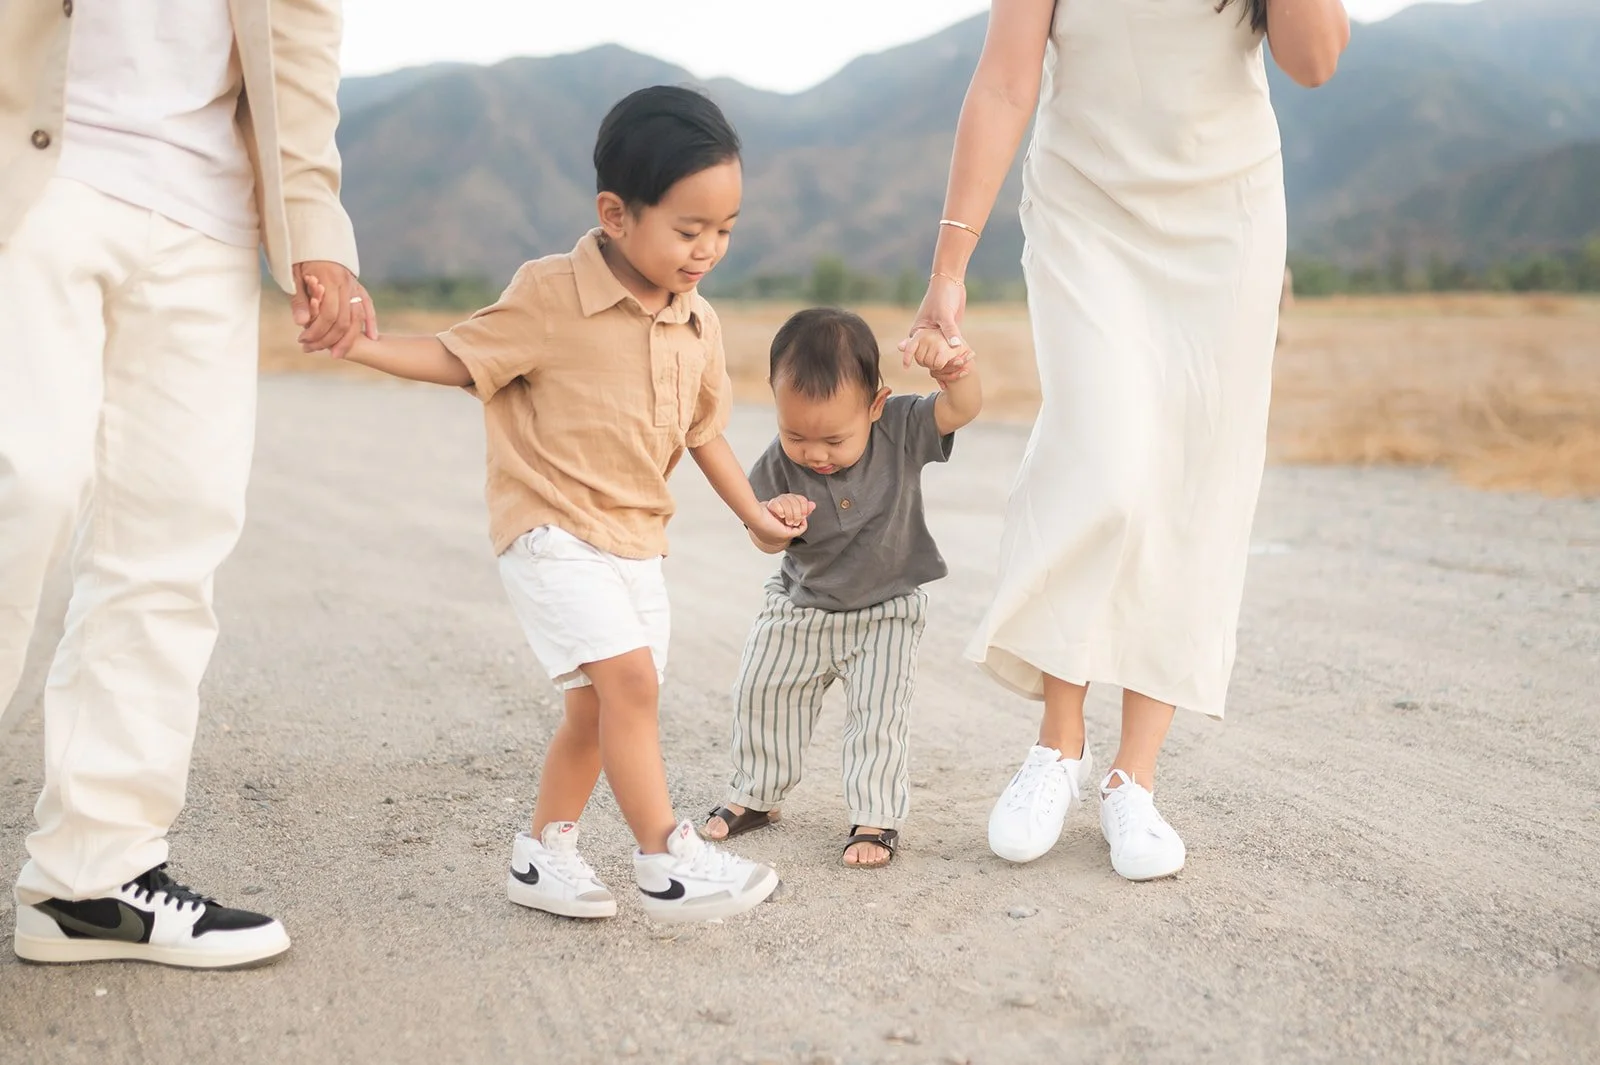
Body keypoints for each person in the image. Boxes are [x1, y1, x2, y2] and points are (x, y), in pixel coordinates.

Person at [302, 86, 792, 924]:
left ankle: (542, 853)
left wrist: (753, 513)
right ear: (615, 213)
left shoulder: (698, 322)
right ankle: (665, 859)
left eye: (724, 229)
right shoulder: (550, 293)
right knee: (631, 685)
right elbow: (462, 357)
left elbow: (706, 432)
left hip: (637, 540)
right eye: (687, 229)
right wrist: (366, 346)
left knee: (598, 707)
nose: (707, 248)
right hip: (550, 530)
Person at [900, 0, 1349, 881]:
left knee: (1194, 481)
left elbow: (1315, 60)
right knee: (1099, 461)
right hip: (1087, 209)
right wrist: (946, 271)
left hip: (1227, 218)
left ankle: (1130, 778)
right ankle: (1056, 748)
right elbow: (1003, 80)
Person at [2, 0, 373, 968]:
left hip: (204, 215)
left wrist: (313, 223)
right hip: (31, 170)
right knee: (20, 487)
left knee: (169, 542)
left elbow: (297, 33)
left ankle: (90, 879)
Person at [700, 308, 981, 868]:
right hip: (801, 611)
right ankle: (757, 793)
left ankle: (875, 819)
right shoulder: (778, 464)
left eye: (833, 438)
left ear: (876, 405)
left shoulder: (900, 428)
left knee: (877, 715)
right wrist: (772, 520)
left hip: (886, 613)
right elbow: (763, 540)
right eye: (796, 434)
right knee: (764, 695)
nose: (815, 453)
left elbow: (963, 408)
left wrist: (954, 374)